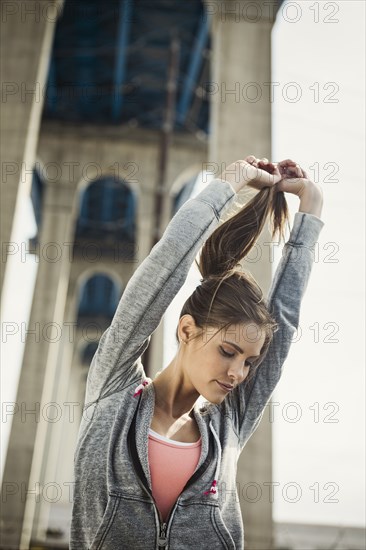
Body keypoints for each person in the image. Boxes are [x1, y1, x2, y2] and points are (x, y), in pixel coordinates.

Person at [70, 155, 324, 549]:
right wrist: (230, 182)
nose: (239, 372)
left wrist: (311, 206)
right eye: (228, 351)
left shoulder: (229, 423)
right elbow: (165, 264)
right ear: (187, 329)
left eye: (249, 361)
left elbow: (284, 321)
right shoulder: (113, 389)